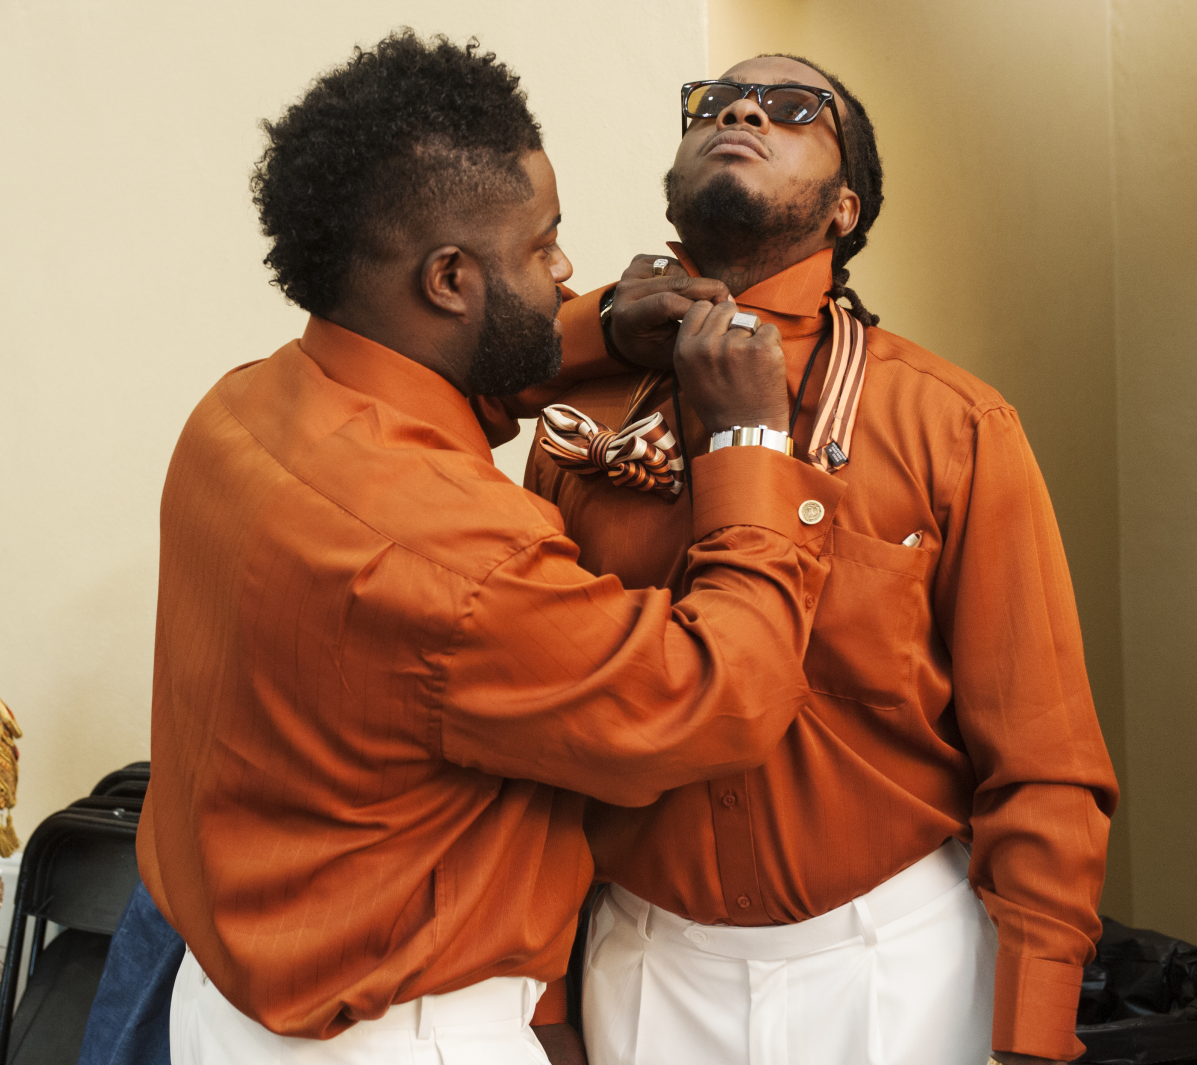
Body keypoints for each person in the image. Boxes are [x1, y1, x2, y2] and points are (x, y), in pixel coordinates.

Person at [137, 32, 852, 1065]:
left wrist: (598, 325)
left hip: (221, 1013)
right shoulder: (460, 557)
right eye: (541, 246)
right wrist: (746, 441)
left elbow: (428, 388)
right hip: (401, 1035)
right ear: (448, 279)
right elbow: (714, 697)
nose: (566, 266)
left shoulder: (236, 410)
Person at [505, 54, 1121, 1065]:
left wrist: (1035, 1030)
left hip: (896, 966)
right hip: (646, 968)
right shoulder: (585, 421)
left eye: (796, 110)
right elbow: (536, 756)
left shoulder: (951, 424)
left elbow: (1042, 756)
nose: (740, 108)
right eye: (711, 104)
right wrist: (543, 1008)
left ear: (843, 209)